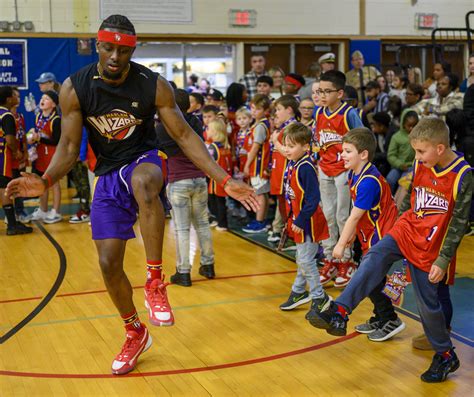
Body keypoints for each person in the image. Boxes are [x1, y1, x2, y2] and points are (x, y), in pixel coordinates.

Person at [6, 14, 257, 376]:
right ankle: (134, 331)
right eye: (108, 48)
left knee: (143, 183)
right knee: (108, 264)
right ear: (97, 45)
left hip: (145, 161)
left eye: (123, 50)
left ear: (132, 50)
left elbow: (185, 136)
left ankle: (155, 281)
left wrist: (223, 177)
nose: (114, 56)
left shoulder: (153, 85)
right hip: (106, 174)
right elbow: (68, 144)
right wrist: (45, 181)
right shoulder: (75, 89)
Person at [307, 118, 472, 383]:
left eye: (421, 151)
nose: (416, 157)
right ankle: (339, 312)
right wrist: (400, 222)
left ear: (440, 148)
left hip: (434, 243)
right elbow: (411, 196)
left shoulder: (463, 174)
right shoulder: (421, 162)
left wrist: (443, 259)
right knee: (374, 256)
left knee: (427, 303)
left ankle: (445, 355)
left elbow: (459, 223)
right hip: (407, 229)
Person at [327, 128, 405, 342]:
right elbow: (361, 214)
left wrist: (341, 244)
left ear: (363, 154)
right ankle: (381, 316)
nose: (342, 155)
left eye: (347, 151)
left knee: (370, 277)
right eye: (342, 150)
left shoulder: (369, 181)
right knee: (372, 279)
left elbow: (353, 216)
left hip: (384, 236)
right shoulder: (355, 173)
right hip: (369, 234)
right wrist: (352, 236)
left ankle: (390, 319)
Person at [157, 89, 216, 287]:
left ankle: (183, 272)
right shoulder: (195, 122)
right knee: (202, 224)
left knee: (182, 229)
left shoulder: (162, 126)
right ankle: (208, 265)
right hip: (199, 179)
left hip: (178, 182)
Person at [313, 70, 363, 288]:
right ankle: (330, 258)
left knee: (343, 216)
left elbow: (363, 138)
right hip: (324, 169)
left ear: (340, 93)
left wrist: (356, 167)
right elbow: (319, 139)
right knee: (327, 216)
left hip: (344, 170)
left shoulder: (348, 113)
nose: (322, 95)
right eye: (319, 91)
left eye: (327, 91)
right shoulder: (319, 113)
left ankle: (346, 260)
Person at [279, 122, 331, 314]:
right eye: (285, 145)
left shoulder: (306, 167)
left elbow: (313, 198)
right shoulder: (293, 162)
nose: (286, 149)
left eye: (291, 146)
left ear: (305, 147)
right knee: (303, 258)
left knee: (305, 260)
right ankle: (298, 291)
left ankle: (319, 296)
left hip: (309, 222)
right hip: (300, 220)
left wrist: (300, 220)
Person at [0, 86, 33, 235]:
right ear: (8, 99)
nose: (17, 98)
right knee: (5, 189)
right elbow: (10, 139)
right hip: (3, 158)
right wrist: (17, 152)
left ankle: (12, 223)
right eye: (14, 95)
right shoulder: (7, 115)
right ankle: (12, 226)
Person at [28, 91, 63, 224]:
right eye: (42, 97)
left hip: (52, 154)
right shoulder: (38, 117)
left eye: (46, 98)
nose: (42, 100)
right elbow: (39, 134)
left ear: (53, 104)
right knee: (41, 182)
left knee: (54, 183)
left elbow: (56, 141)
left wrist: (40, 138)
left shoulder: (56, 120)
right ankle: (43, 210)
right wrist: (33, 136)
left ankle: (56, 211)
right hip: (40, 153)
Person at [268, 95, 299, 242]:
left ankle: (292, 236)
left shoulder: (292, 128)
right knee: (283, 207)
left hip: (287, 175)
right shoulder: (283, 127)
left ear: (289, 110)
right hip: (279, 172)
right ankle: (285, 233)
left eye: (279, 109)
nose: (276, 113)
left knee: (288, 207)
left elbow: (290, 153)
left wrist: (275, 141)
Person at [242, 94, 271, 233]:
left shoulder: (260, 126)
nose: (253, 111)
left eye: (257, 109)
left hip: (258, 167)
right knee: (262, 193)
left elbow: (255, 147)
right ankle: (262, 220)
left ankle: (260, 221)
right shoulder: (258, 124)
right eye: (252, 108)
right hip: (258, 166)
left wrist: (247, 165)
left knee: (259, 194)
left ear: (265, 111)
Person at [207, 120, 233, 231]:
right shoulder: (225, 145)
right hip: (226, 177)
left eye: (208, 129)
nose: (207, 131)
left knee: (217, 202)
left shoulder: (213, 147)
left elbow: (208, 162)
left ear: (214, 132)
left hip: (216, 179)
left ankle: (222, 223)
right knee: (220, 201)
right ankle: (219, 221)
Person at [386, 110, 418, 194]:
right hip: (398, 166)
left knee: (404, 184)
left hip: (411, 167)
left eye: (414, 126)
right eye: (409, 125)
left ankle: (399, 203)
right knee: (389, 180)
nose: (411, 128)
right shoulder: (396, 137)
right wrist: (399, 164)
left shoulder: (419, 137)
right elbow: (391, 155)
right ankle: (388, 200)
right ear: (403, 124)